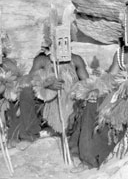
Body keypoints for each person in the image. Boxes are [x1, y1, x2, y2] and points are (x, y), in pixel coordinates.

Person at [69, 34, 128, 172]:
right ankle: (85, 154)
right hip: (119, 92)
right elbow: (111, 77)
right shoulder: (120, 53)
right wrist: (96, 89)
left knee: (119, 113)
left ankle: (95, 157)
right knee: (91, 102)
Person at [7, 20, 89, 148]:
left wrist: (77, 91)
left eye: (65, 40)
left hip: (70, 104)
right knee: (26, 93)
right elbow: (28, 81)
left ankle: (69, 130)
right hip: (47, 105)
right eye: (58, 40)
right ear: (52, 41)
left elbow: (87, 84)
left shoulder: (76, 60)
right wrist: (46, 84)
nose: (62, 44)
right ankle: (29, 133)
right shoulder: (42, 60)